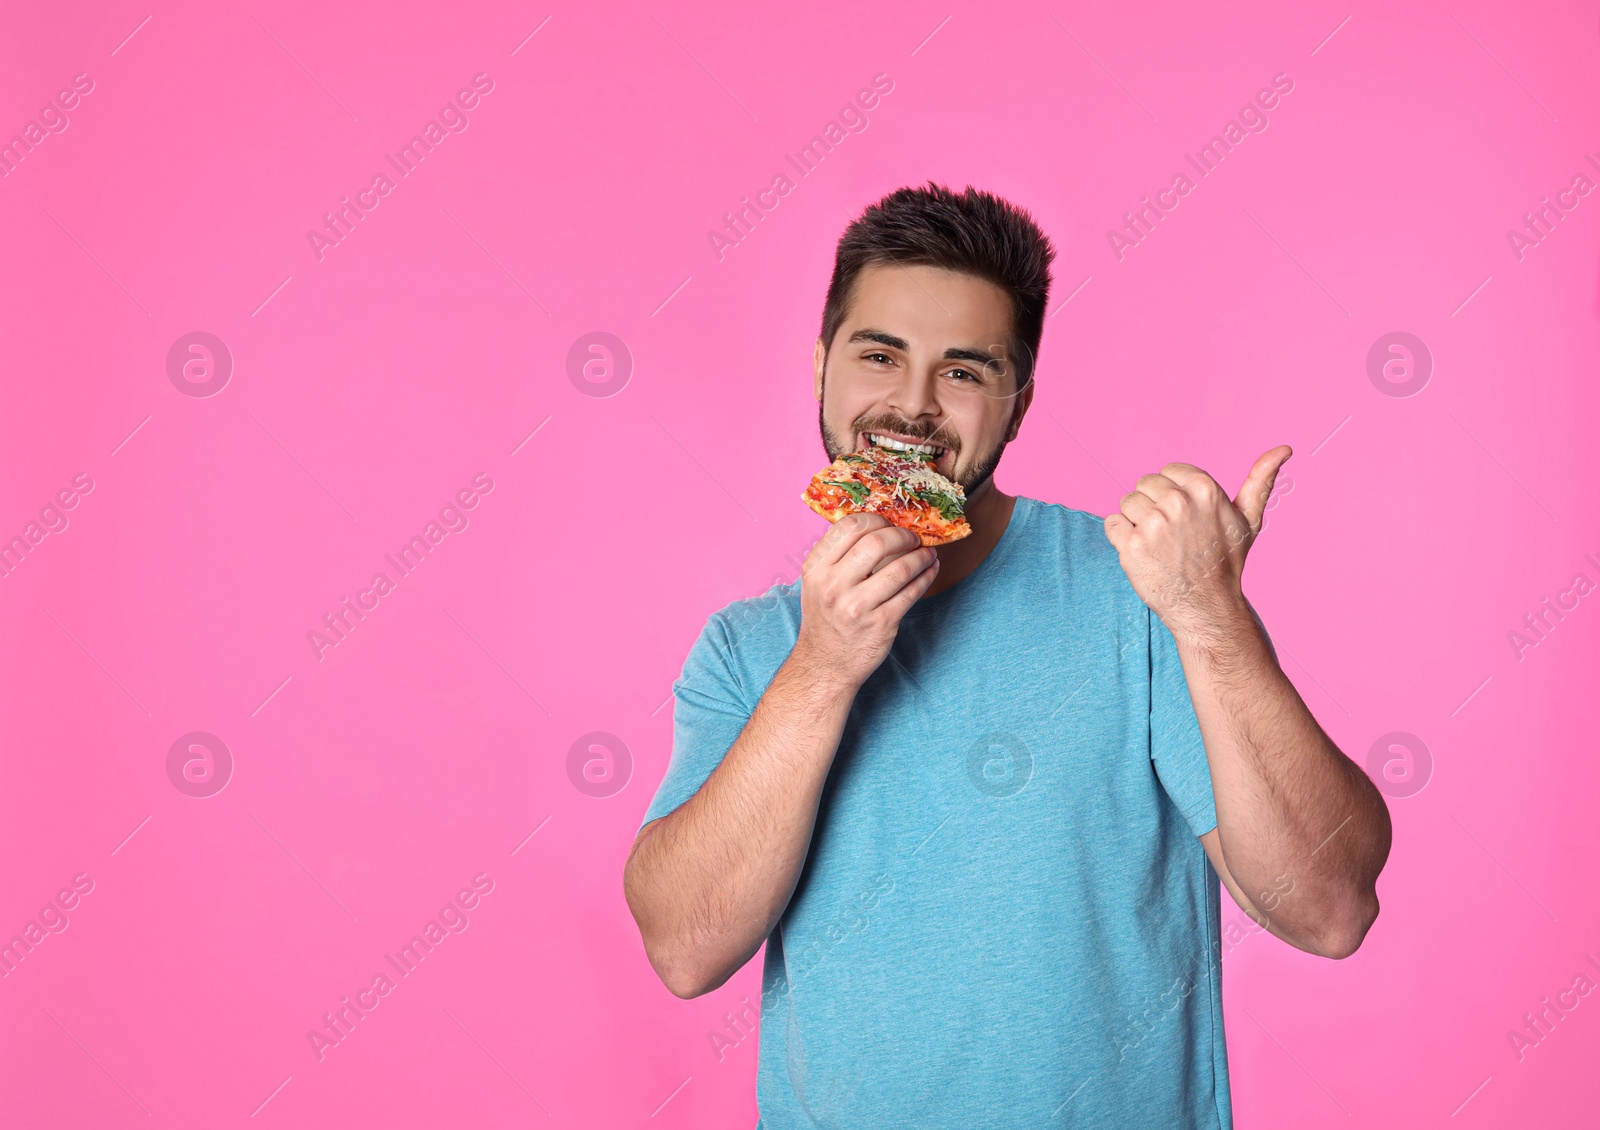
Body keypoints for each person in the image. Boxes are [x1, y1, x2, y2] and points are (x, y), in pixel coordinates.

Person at [622, 181, 1391, 1129]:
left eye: (964, 372)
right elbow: (685, 950)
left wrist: (1211, 618)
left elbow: (1329, 909)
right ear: (821, 367)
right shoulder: (749, 650)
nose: (911, 407)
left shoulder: (1141, 597)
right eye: (877, 356)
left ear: (1017, 404)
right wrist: (823, 667)